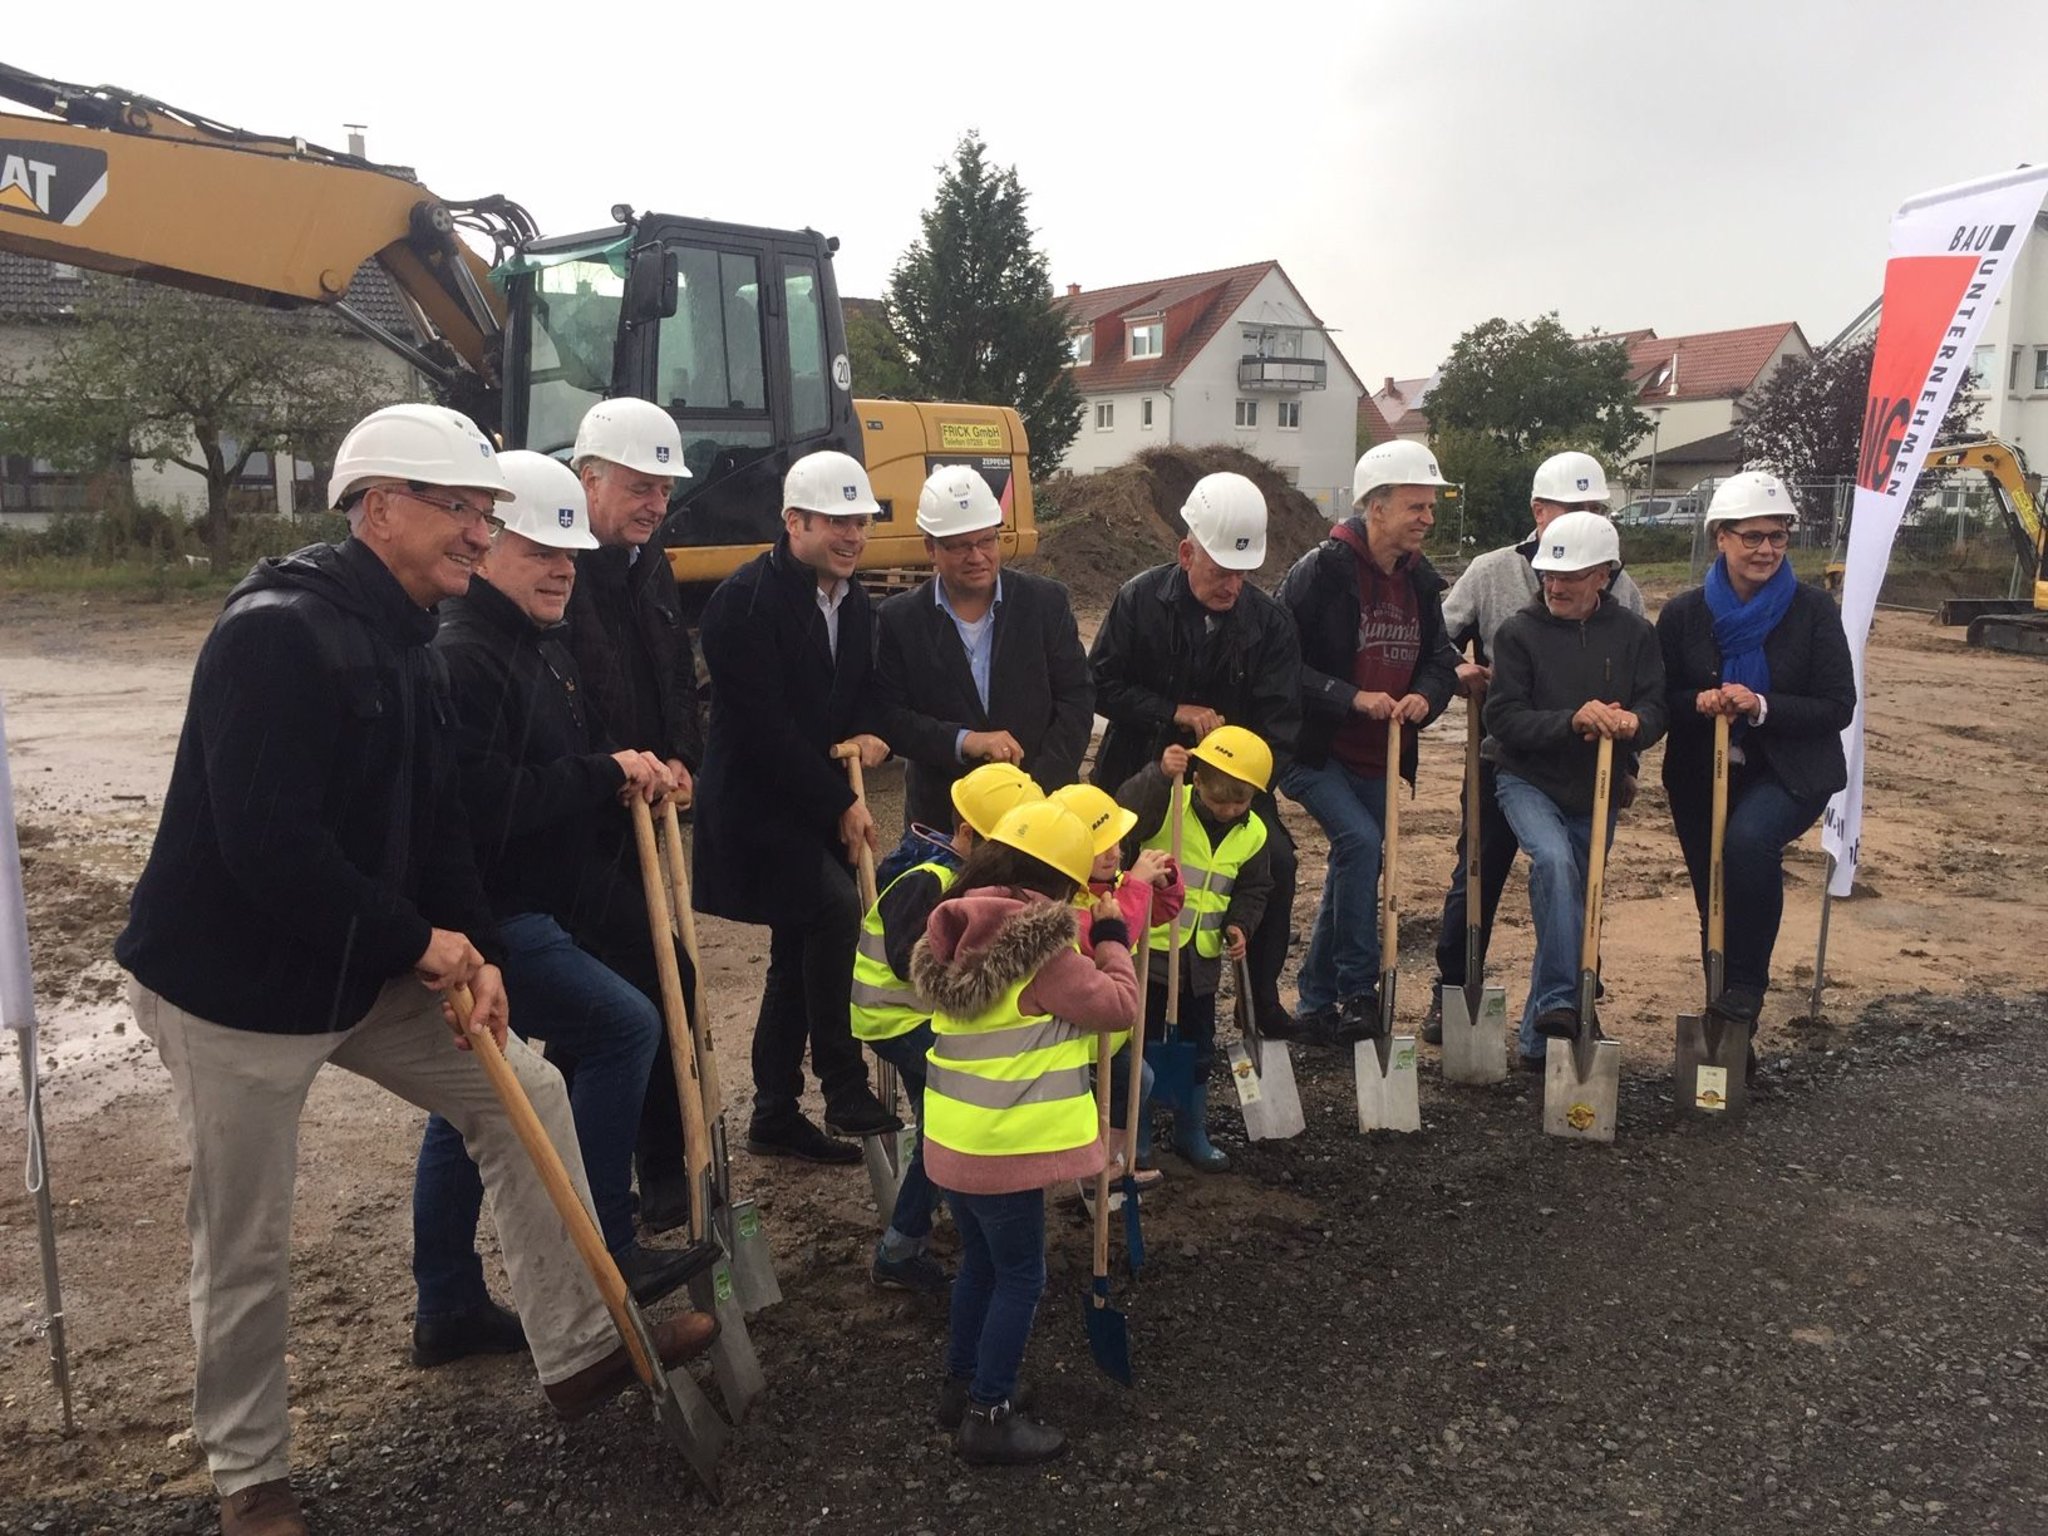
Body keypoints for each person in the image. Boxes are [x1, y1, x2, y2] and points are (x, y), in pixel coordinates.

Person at [113, 406, 715, 1536]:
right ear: (377, 505)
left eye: (486, 514)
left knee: (522, 1090)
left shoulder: (410, 635)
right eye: (461, 511)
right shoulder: (276, 635)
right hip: (231, 987)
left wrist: (471, 947)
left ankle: (583, 1349)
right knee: (246, 1234)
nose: (481, 535)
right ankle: (252, 1482)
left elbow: (437, 823)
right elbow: (267, 846)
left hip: (348, 960)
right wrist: (415, 943)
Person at [409, 452, 697, 1367]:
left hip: (537, 903)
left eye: (570, 553)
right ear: (489, 544)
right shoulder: (467, 656)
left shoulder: (538, 641)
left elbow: (561, 763)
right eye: (541, 549)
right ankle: (604, 1244)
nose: (562, 568)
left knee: (477, 1099)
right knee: (622, 1029)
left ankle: (448, 1302)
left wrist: (621, 771)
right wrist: (597, 774)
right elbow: (484, 808)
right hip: (492, 918)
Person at [910, 799, 1139, 1465]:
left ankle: (961, 1386)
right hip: (1005, 1149)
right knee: (1021, 1275)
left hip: (953, 1147)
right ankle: (990, 1411)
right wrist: (1112, 936)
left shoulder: (954, 935)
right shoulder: (1042, 953)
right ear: (1058, 881)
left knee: (981, 1264)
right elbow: (1118, 1007)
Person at [694, 450, 899, 1163]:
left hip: (807, 801)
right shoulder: (743, 602)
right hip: (755, 807)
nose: (851, 536)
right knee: (836, 910)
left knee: (795, 955)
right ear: (794, 522)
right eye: (836, 522)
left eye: (860, 523)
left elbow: (865, 686)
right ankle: (841, 1081)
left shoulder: (856, 598)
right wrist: (840, 803)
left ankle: (775, 1112)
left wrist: (872, 729)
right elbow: (762, 728)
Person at [1423, 451, 1647, 1041]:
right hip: (1507, 749)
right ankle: (1452, 992)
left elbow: (1635, 688)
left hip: (1586, 767)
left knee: (1574, 880)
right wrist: (1457, 671)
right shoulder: (1493, 570)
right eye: (1566, 508)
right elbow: (1434, 639)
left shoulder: (1624, 591)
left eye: (1590, 508)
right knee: (1478, 870)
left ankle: (1566, 1004)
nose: (1578, 518)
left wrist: (1629, 763)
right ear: (1537, 509)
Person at [1089, 472, 1302, 1036]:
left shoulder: (1271, 624)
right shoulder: (1140, 600)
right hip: (1138, 767)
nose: (1232, 585)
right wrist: (1171, 712)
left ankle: (1257, 997)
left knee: (1277, 863)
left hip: (1229, 790)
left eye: (1242, 573)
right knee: (1100, 864)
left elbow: (1280, 723)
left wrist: (1237, 785)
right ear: (1187, 552)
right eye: (1219, 571)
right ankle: (1104, 989)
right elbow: (1101, 685)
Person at [562, 397, 705, 1233]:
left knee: (654, 986)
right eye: (639, 485)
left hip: (648, 811)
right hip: (592, 817)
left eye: (663, 488)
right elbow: (581, 689)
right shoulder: (564, 565)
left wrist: (683, 756)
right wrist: (620, 765)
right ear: (589, 479)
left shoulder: (648, 565)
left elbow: (671, 672)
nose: (654, 503)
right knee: (649, 988)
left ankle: (654, 1165)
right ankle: (642, 1175)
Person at [1656, 471, 1855, 1044]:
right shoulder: (1683, 615)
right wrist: (1698, 700)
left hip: (1791, 771)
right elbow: (1660, 696)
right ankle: (1728, 1029)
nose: (1766, 548)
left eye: (1778, 536)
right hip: (1701, 773)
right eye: (1752, 536)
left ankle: (1746, 986)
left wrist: (1761, 704)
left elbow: (1837, 704)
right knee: (1713, 893)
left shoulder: (1813, 610)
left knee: (1747, 844)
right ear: (1721, 537)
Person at [1274, 442, 1460, 1041]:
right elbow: (1281, 667)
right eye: (1416, 506)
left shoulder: (1422, 581)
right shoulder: (1319, 573)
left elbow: (1440, 660)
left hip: (1379, 754)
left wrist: (1426, 698)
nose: (1428, 518)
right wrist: (1348, 696)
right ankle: (1359, 989)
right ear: (1375, 507)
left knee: (1354, 861)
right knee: (1360, 841)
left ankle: (1315, 998)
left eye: (1430, 506)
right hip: (1314, 752)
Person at [853, 762, 1046, 1294]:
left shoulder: (961, 875)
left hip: (922, 1016)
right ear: (967, 833)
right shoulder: (927, 878)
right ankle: (901, 1245)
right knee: (947, 1129)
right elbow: (903, 960)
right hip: (898, 1018)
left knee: (939, 1125)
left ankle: (927, 1223)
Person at [1483, 512, 1667, 1066]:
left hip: (1597, 785)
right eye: (1548, 575)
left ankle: (1539, 1042)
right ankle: (1567, 997)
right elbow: (1504, 718)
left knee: (1573, 902)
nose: (1556, 586)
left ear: (1604, 576)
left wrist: (1635, 725)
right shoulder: (1518, 633)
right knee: (1555, 864)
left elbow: (1656, 705)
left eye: (1570, 576)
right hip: (1526, 779)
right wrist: (1571, 721)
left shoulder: (1635, 636)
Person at [876, 464, 1094, 830]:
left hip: (1039, 812)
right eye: (960, 546)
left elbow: (1076, 699)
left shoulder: (1045, 603)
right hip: (943, 818)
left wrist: (1035, 789)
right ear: (931, 548)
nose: (977, 557)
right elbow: (892, 718)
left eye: (986, 541)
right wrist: (966, 741)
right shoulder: (900, 620)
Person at [1118, 726, 1276, 1173]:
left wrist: (1241, 925)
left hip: (1201, 959)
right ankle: (1139, 1131)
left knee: (1199, 1045)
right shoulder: (1167, 802)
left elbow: (1254, 888)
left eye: (1239, 802)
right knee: (1143, 1044)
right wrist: (1157, 774)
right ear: (1198, 780)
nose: (1227, 811)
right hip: (1151, 952)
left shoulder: (1255, 834)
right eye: (1218, 800)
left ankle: (1192, 1129)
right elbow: (1124, 811)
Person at [1050, 782, 1181, 1191]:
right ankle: (1079, 1169)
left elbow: (1157, 914)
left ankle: (1108, 1164)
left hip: (1112, 1034)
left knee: (1136, 1081)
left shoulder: (1116, 884)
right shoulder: (1062, 900)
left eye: (1117, 843)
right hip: (1075, 1041)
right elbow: (1107, 935)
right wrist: (1137, 889)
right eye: (1099, 845)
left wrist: (1164, 883)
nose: (1114, 853)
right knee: (1082, 1109)